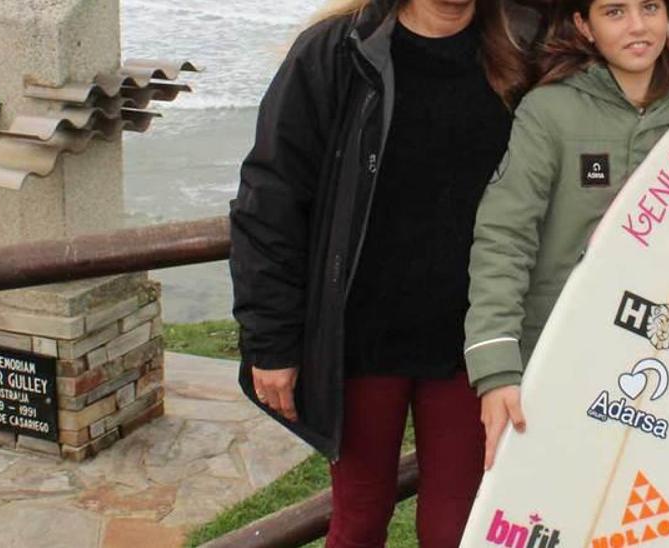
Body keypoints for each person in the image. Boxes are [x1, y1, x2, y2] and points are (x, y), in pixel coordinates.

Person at [228, 0, 539, 544]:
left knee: (455, 528)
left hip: (469, 339)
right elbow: (270, 197)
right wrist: (271, 341)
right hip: (362, 341)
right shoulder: (336, 52)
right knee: (360, 518)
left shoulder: (519, 48)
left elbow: (611, 39)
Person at [462, 0, 669, 472]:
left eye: (649, 8)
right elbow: (504, 239)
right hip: (560, 359)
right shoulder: (550, 112)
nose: (638, 27)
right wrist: (497, 366)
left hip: (663, 363)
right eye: (615, 12)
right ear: (584, 25)